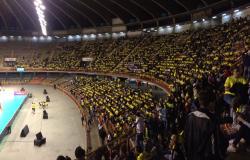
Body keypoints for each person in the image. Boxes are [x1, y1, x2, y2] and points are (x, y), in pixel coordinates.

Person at [184, 89, 221, 160]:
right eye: (214, 102)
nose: (215, 104)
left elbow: (185, 139)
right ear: (210, 103)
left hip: (190, 156)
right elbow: (213, 149)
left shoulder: (190, 116)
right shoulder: (210, 122)